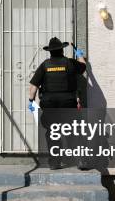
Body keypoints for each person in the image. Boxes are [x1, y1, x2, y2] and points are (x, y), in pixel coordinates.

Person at [28, 37, 87, 169]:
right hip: (68, 104)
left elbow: (33, 87)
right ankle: (80, 160)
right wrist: (79, 54)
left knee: (53, 134)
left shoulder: (45, 65)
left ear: (50, 52)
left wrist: (30, 101)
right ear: (62, 50)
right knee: (73, 132)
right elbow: (83, 67)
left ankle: (54, 163)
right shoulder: (70, 63)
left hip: (50, 106)